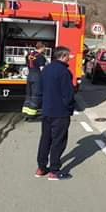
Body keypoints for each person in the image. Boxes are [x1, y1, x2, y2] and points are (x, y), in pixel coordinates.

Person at [35, 46, 75, 180]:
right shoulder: (64, 72)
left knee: (45, 139)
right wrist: (70, 108)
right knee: (58, 141)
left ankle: (41, 168)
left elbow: (40, 90)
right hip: (60, 112)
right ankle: (54, 171)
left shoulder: (46, 69)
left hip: (46, 111)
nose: (69, 58)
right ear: (63, 56)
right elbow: (68, 95)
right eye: (68, 55)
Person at [22, 42, 47, 121]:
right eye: (44, 48)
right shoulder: (40, 57)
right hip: (37, 77)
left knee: (29, 96)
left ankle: (25, 113)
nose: (45, 49)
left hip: (29, 77)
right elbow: (42, 69)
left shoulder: (29, 55)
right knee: (35, 96)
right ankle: (31, 116)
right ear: (42, 48)